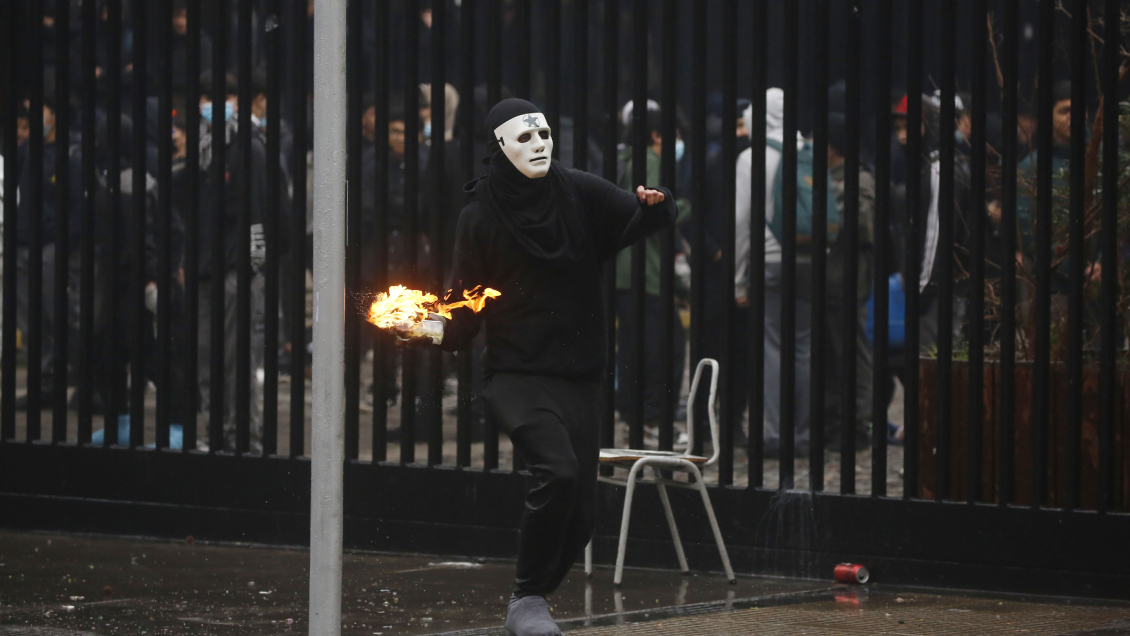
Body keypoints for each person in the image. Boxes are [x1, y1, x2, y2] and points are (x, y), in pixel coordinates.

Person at [401, 98, 674, 636]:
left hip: (579, 375)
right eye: (524, 138)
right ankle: (526, 599)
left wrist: (653, 202)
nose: (539, 145)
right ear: (499, 148)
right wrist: (418, 325)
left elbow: (639, 215)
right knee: (558, 471)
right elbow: (460, 318)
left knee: (583, 516)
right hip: (516, 375)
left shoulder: (580, 191)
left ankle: (534, 598)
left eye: (545, 134)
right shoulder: (478, 218)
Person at [734, 88, 814, 457]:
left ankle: (770, 434)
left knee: (771, 347)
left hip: (769, 260)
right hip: (808, 261)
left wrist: (739, 278)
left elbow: (742, 222)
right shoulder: (807, 150)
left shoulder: (752, 157)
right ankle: (801, 435)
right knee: (802, 348)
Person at [614, 103, 691, 439]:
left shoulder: (624, 159)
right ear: (657, 135)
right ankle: (653, 419)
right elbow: (659, 211)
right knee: (665, 347)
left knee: (633, 346)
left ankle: (635, 416)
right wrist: (688, 203)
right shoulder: (651, 161)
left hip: (625, 270)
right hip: (646, 270)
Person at [14, 92, 83, 409]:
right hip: (27, 245)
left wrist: (63, 242)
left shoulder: (71, 151)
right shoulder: (29, 150)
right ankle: (40, 384)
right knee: (30, 320)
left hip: (54, 247)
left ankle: (62, 380)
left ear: (54, 114)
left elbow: (77, 206)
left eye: (37, 111)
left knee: (57, 318)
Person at [822, 112, 876, 452]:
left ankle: (856, 424)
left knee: (852, 355)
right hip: (831, 282)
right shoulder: (827, 177)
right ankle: (835, 421)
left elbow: (862, 227)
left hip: (847, 282)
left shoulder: (858, 180)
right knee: (833, 355)